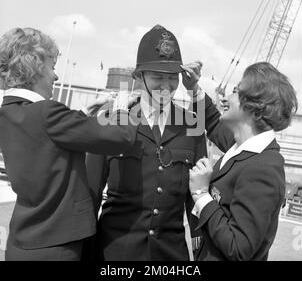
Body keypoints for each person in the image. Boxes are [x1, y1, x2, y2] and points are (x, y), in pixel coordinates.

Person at [86, 24, 234, 261]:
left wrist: (199, 254)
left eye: (171, 78)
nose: (166, 86)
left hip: (170, 255)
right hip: (113, 253)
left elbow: (194, 197)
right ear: (138, 76)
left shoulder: (192, 126)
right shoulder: (111, 120)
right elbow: (89, 194)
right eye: (157, 77)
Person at [0, 27, 138, 261]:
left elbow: (45, 139)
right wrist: (122, 107)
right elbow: (121, 138)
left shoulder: (9, 112)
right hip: (56, 246)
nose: (55, 76)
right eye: (52, 67)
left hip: (23, 243)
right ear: (32, 67)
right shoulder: (47, 112)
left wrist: (83, 112)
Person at [189, 62, 298, 261]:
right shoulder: (241, 146)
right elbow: (213, 122)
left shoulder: (263, 168)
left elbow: (239, 248)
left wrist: (201, 195)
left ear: (255, 110)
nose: (226, 97)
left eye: (235, 91)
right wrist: (194, 89)